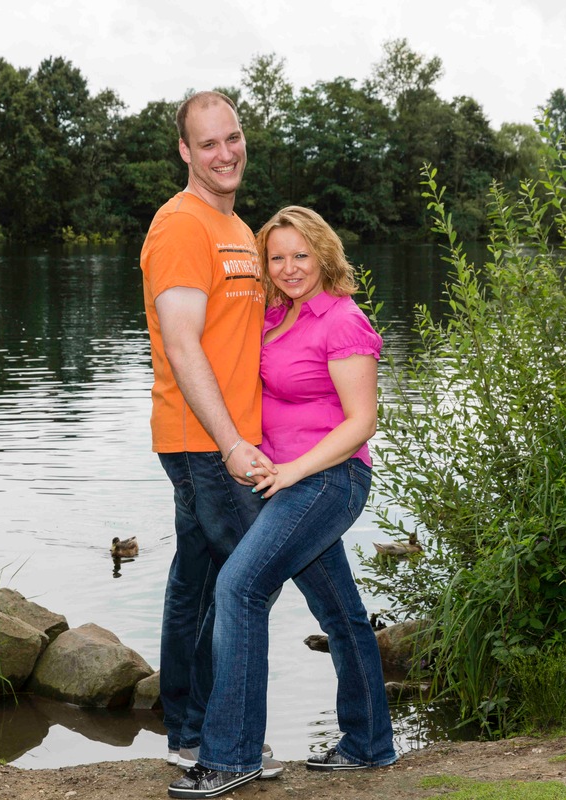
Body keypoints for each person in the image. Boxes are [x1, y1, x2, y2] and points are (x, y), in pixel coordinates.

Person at [169, 207, 397, 799]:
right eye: (277, 257)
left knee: (239, 588)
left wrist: (293, 468)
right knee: (341, 614)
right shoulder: (275, 315)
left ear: (324, 254)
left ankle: (231, 756)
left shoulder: (343, 320)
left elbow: (363, 421)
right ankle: (369, 743)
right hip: (286, 482)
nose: (290, 268)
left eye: (301, 255)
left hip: (328, 479)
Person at [139, 91, 280, 777]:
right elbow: (185, 345)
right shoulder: (179, 227)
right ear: (185, 152)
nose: (226, 153)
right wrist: (228, 443)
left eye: (234, 137)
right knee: (246, 584)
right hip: (203, 439)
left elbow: (243, 344)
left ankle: (192, 731)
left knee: (200, 579)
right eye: (209, 143)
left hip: (233, 439)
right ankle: (224, 743)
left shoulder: (239, 229)